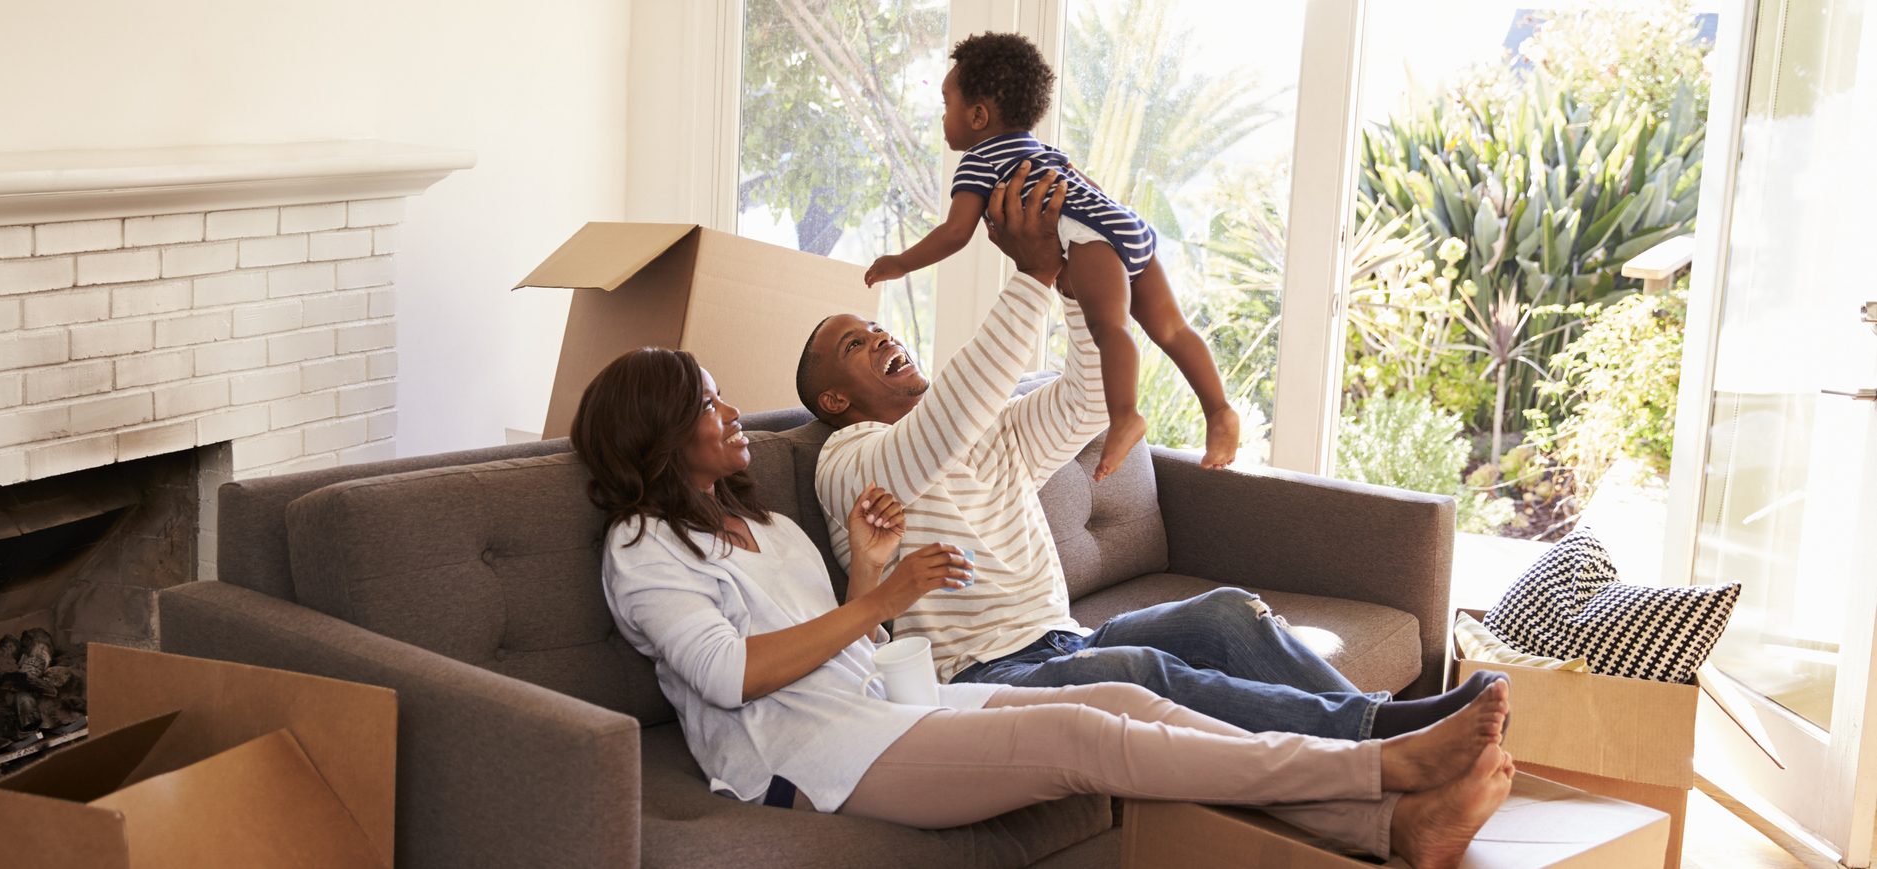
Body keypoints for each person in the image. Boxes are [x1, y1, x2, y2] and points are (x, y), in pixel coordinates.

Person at [570, 344, 1515, 868]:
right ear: (657, 431)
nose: (730, 413)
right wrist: (884, 595)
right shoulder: (643, 548)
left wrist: (869, 575)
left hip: (877, 710)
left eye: (724, 395)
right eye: (708, 404)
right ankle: (1377, 764)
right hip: (805, 757)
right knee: (1082, 736)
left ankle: (1391, 827)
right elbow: (732, 676)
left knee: (1126, 700)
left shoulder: (765, 525)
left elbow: (848, 645)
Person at [804, 150, 1496, 743]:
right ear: (834, 398)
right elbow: (938, 431)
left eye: (879, 327)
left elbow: (1088, 399)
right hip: (982, 676)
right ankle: (1385, 734)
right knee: (1142, 673)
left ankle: (1390, 731)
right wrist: (1030, 275)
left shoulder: (989, 428)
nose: (882, 337)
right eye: (855, 344)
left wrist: (1072, 282)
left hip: (1064, 637)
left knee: (1227, 611)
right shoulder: (847, 462)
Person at [864, 31, 1236, 479]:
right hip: (1124, 222)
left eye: (947, 104)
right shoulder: (1042, 151)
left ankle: (1125, 416)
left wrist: (900, 263)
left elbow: (956, 232)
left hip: (1089, 237)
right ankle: (1219, 411)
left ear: (978, 115)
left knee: (1110, 327)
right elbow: (1088, 187)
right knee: (1173, 329)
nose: (942, 117)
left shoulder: (979, 162)